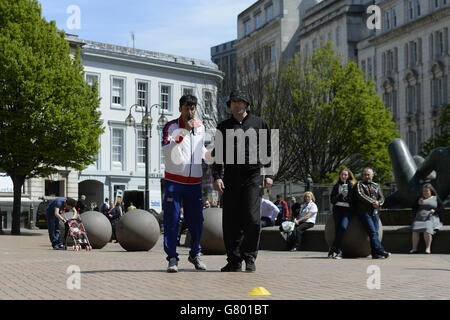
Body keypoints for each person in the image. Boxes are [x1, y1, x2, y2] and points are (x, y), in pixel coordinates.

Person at [213, 89, 274, 272]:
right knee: (231, 221)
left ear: (246, 104)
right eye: (233, 102)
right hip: (231, 177)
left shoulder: (259, 123)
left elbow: (269, 149)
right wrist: (217, 177)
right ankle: (233, 260)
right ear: (230, 105)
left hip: (252, 176)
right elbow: (217, 155)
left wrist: (269, 174)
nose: (236, 105)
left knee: (252, 218)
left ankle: (249, 257)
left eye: (240, 101)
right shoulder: (223, 126)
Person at [161, 94, 208, 273]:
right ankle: (172, 257)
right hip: (174, 181)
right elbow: (167, 149)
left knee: (197, 221)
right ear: (180, 108)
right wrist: (184, 132)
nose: (190, 111)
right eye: (187, 108)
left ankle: (195, 254)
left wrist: (211, 156)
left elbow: (200, 149)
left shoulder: (201, 127)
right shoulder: (171, 127)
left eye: (193, 108)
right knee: (172, 220)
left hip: (194, 183)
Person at [353, 167, 391, 259]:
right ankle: (381, 250)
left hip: (374, 212)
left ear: (372, 175)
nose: (366, 176)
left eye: (368, 174)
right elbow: (360, 195)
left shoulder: (376, 185)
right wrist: (373, 202)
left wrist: (379, 203)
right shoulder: (359, 184)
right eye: (365, 174)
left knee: (375, 233)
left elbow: (382, 198)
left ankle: (375, 254)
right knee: (373, 232)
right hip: (364, 212)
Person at [328, 168, 357, 259]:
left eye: (345, 175)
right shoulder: (336, 186)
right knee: (337, 229)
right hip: (337, 210)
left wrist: (345, 197)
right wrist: (341, 195)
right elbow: (332, 200)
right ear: (339, 176)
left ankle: (333, 247)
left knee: (343, 227)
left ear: (348, 176)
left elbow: (353, 200)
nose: (343, 176)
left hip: (347, 211)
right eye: (342, 175)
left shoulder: (352, 186)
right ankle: (339, 251)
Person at [410, 183, 444, 254]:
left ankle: (428, 248)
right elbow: (413, 208)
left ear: (431, 191)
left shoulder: (435, 198)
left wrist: (435, 210)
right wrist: (418, 204)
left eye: (427, 191)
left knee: (427, 228)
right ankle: (414, 248)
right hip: (419, 218)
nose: (425, 193)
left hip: (431, 217)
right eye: (423, 191)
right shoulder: (420, 198)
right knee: (415, 230)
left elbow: (442, 208)